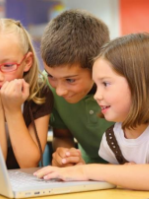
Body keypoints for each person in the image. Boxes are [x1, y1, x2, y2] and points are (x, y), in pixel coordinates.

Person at [34, 33, 149, 192]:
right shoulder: (114, 137)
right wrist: (79, 166)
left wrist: (85, 170)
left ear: (141, 83)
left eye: (106, 84)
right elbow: (117, 180)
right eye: (97, 85)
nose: (98, 96)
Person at [0, 18, 53, 169]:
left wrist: (13, 110)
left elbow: (29, 163)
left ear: (27, 62)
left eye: (7, 66)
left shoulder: (40, 93)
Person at [41, 9, 113, 167]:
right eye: (51, 76)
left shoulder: (125, 88)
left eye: (70, 80)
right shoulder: (48, 87)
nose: (59, 91)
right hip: (86, 171)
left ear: (97, 66)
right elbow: (62, 134)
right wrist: (65, 156)